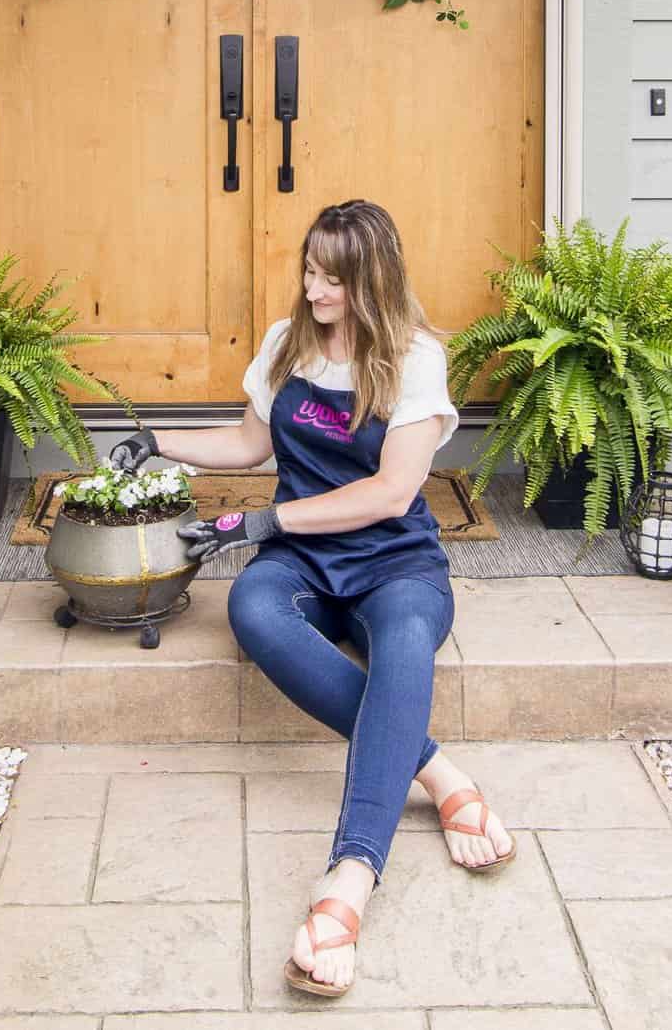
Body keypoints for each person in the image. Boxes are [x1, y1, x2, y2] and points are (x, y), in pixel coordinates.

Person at [109, 200, 515, 998]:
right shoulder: (285, 343)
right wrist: (157, 440)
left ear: (373, 280)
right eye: (309, 271)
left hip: (395, 563)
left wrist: (257, 518)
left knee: (402, 643)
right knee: (252, 609)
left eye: (334, 279)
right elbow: (251, 444)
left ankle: (352, 878)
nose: (315, 290)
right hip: (302, 560)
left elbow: (393, 493)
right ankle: (433, 770)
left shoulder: (416, 359)